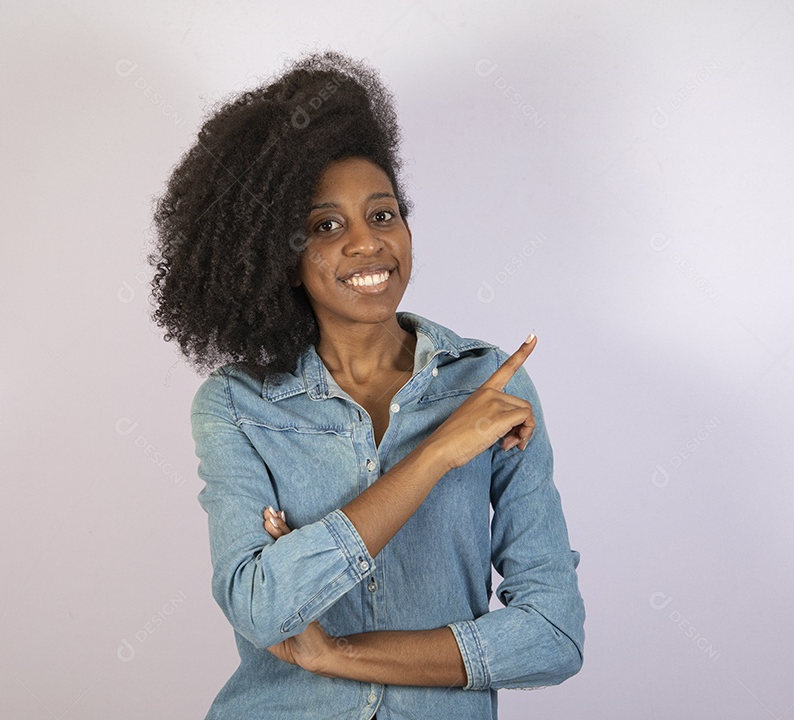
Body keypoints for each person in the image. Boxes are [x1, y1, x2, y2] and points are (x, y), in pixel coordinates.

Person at [148, 50, 584, 720]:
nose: (366, 243)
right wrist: (437, 453)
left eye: (382, 215)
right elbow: (261, 607)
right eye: (326, 226)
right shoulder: (238, 407)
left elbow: (553, 636)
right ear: (283, 256)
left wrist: (335, 654)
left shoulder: (488, 386)